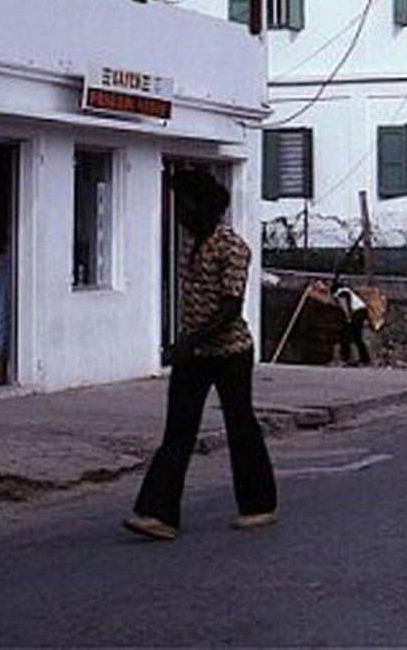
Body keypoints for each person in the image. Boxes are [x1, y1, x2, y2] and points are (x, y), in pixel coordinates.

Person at [123, 170, 277, 541]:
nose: (180, 212)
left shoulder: (233, 247)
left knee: (240, 425)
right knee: (178, 430)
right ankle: (158, 514)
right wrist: (187, 344)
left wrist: (189, 342)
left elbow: (230, 307)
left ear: (203, 206)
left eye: (186, 204)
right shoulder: (190, 241)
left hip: (230, 352)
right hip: (194, 351)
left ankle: (259, 504)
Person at [332, 283, 371, 366]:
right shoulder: (348, 291)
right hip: (361, 311)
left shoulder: (341, 293)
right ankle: (363, 359)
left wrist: (348, 318)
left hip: (357, 313)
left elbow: (345, 306)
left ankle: (348, 358)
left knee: (347, 335)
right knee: (356, 337)